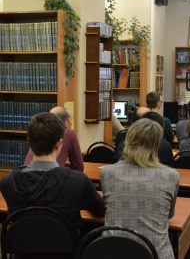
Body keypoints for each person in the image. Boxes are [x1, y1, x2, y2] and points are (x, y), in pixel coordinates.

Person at [0, 112, 105, 247]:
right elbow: (100, 210)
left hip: (24, 252)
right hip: (66, 252)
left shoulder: (7, 183)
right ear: (59, 144)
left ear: (29, 142)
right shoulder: (78, 182)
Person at [101, 118, 179, 259]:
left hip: (113, 252)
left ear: (128, 140)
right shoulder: (171, 176)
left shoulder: (107, 173)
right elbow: (170, 215)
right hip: (155, 253)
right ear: (157, 144)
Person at [24, 106, 84, 172]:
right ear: (66, 124)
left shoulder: (38, 131)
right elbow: (79, 167)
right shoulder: (68, 133)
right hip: (55, 177)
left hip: (27, 173)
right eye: (71, 121)